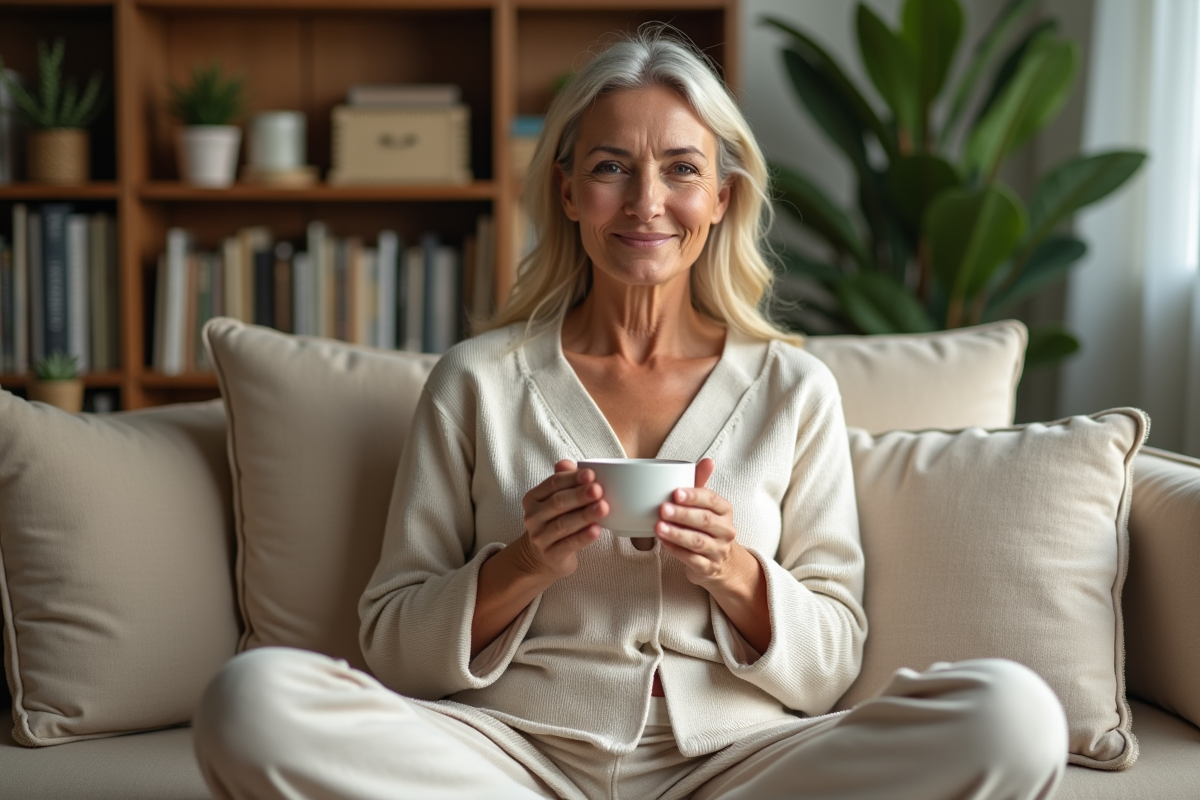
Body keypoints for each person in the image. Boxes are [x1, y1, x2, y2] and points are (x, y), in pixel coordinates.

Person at [193, 27, 1068, 800]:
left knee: (1014, 717)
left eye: (682, 169)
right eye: (612, 167)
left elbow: (834, 656)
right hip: (511, 758)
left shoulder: (792, 391)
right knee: (252, 702)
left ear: (721, 198)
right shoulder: (477, 382)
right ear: (569, 193)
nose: (647, 202)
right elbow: (390, 641)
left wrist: (734, 571)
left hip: (741, 764)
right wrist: (526, 562)